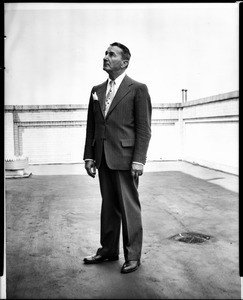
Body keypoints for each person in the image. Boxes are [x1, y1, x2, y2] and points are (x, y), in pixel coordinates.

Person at [83, 42, 152, 274]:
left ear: (124, 62)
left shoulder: (138, 89)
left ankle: (132, 256)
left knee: (129, 208)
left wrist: (139, 160)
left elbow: (144, 128)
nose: (105, 57)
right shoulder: (96, 90)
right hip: (103, 158)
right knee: (109, 207)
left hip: (126, 158)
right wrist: (89, 156)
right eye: (105, 53)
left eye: (111, 54)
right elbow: (91, 127)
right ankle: (108, 250)